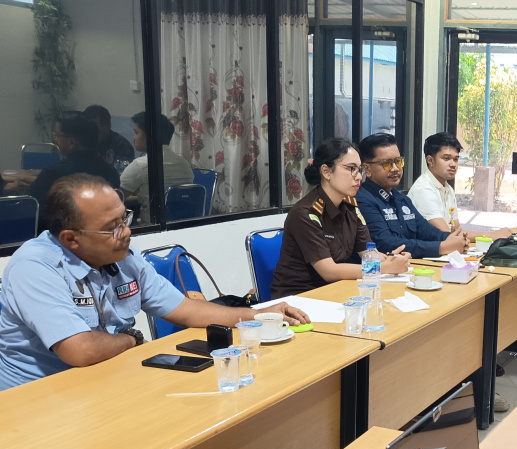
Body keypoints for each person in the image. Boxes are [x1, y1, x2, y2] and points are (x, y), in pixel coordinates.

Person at [0, 174, 308, 392]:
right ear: (71, 239)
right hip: (41, 394)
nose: (126, 232)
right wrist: (130, 340)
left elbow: (185, 309)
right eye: (112, 228)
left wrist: (258, 315)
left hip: (107, 379)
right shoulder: (35, 267)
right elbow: (80, 350)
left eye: (124, 219)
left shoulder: (123, 256)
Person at [271, 138, 410, 299]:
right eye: (351, 168)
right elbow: (329, 271)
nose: (359, 177)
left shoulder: (351, 207)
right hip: (299, 297)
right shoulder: (306, 213)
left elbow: (368, 253)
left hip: (335, 291)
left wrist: (391, 260)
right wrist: (383, 268)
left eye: (359, 170)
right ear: (326, 172)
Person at [355, 133, 469, 258]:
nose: (395, 168)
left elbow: (427, 232)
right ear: (367, 169)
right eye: (387, 163)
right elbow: (385, 243)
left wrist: (455, 239)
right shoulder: (362, 200)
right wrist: (442, 247)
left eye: (398, 162)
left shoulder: (401, 199)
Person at [407, 133, 512, 241]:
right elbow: (445, 234)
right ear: (430, 160)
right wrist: (491, 235)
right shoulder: (423, 190)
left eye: (456, 159)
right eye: (446, 158)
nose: (453, 164)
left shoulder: (448, 189)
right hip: (425, 250)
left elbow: (457, 230)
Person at [27, 111, 121, 212]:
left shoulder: (53, 173)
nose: (55, 140)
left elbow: (31, 205)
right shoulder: (111, 173)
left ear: (71, 142)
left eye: (57, 135)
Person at [119, 112, 195, 224]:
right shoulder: (184, 164)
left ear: (150, 135)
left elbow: (116, 198)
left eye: (136, 133)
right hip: (182, 226)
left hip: (152, 228)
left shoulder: (141, 165)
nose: (134, 137)